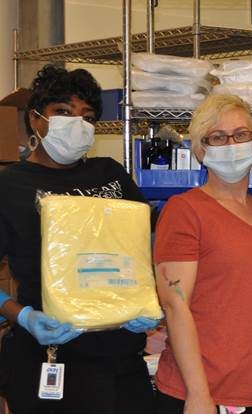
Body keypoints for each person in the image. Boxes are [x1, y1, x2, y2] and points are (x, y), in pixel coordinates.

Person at [0, 64, 159, 414]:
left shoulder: (111, 173)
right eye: (63, 112)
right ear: (36, 120)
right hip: (52, 356)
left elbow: (146, 246)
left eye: (87, 116)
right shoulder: (10, 184)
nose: (77, 123)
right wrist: (22, 316)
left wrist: (152, 298)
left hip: (122, 355)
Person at [153, 94, 252, 414]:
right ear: (201, 150)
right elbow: (175, 304)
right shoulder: (184, 211)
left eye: (241, 134)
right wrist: (199, 395)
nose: (231, 144)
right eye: (218, 137)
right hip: (196, 395)